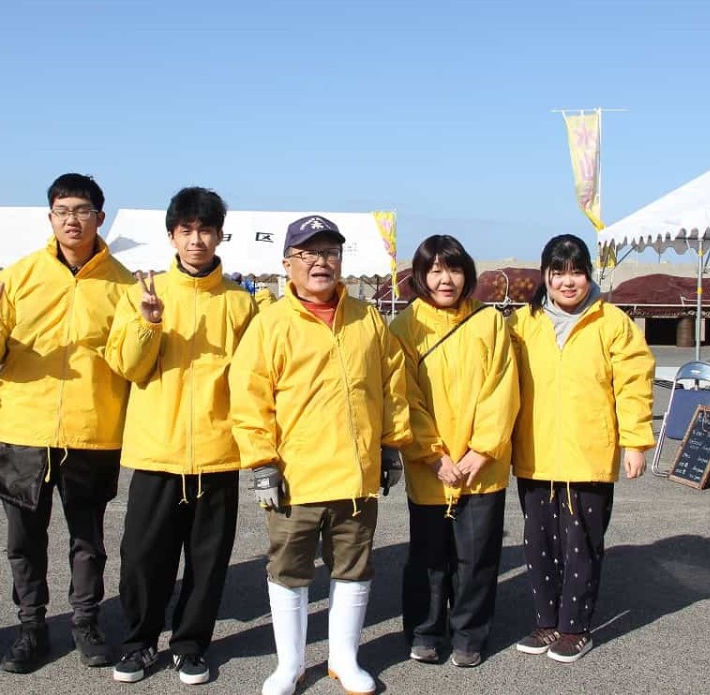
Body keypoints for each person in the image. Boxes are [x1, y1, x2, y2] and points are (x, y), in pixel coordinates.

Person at [230, 215, 415, 695]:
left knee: (353, 567)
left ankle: (343, 660)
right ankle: (289, 665)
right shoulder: (270, 323)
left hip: (355, 475)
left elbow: (392, 384)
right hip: (296, 476)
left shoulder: (367, 317)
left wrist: (392, 444)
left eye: (330, 252)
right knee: (289, 570)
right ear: (287, 262)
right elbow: (250, 399)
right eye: (309, 253)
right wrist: (261, 462)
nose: (320, 262)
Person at [0, 173, 135, 674]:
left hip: (92, 430)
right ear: (50, 217)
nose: (71, 220)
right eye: (62, 210)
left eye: (81, 210)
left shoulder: (122, 283)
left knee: (88, 539)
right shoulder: (16, 277)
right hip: (23, 430)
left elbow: (131, 359)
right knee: (23, 539)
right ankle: (30, 626)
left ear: (99, 217)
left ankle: (86, 622)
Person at [105, 187, 257, 685]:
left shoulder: (240, 302)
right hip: (157, 451)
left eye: (205, 230)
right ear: (172, 235)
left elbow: (254, 379)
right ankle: (139, 642)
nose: (196, 240)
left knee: (208, 561)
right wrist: (149, 325)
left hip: (217, 453)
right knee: (143, 558)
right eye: (187, 230)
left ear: (218, 235)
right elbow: (127, 366)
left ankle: (190, 645)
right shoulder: (142, 292)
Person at [508, 234, 654, 664]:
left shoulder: (611, 322)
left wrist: (635, 442)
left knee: (581, 544)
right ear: (545, 276)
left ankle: (575, 627)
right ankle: (545, 622)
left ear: (588, 273)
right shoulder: (521, 323)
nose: (568, 282)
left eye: (577, 271)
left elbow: (633, 385)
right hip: (534, 454)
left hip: (588, 454)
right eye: (559, 273)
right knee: (538, 544)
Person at [389, 235, 519, 668]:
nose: (446, 279)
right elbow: (401, 396)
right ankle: (425, 631)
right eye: (435, 270)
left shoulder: (491, 323)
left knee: (477, 557)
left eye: (455, 269)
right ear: (421, 276)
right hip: (431, 467)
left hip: (483, 466)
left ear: (467, 273)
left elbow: (502, 390)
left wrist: (480, 452)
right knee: (427, 557)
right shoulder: (404, 327)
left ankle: (469, 635)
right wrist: (434, 454)